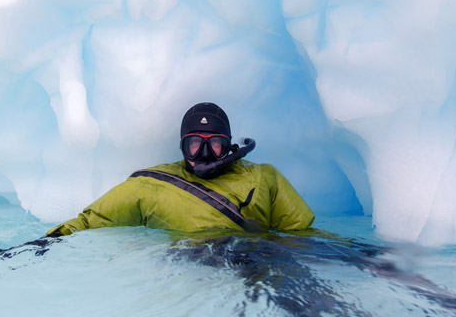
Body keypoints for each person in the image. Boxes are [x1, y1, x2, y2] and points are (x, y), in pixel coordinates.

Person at [46, 102, 314, 237]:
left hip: (264, 261)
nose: (205, 153)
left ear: (230, 147)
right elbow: (91, 219)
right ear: (182, 146)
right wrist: (49, 241)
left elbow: (302, 235)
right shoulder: (152, 183)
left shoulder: (263, 176)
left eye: (215, 144)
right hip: (195, 270)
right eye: (195, 143)